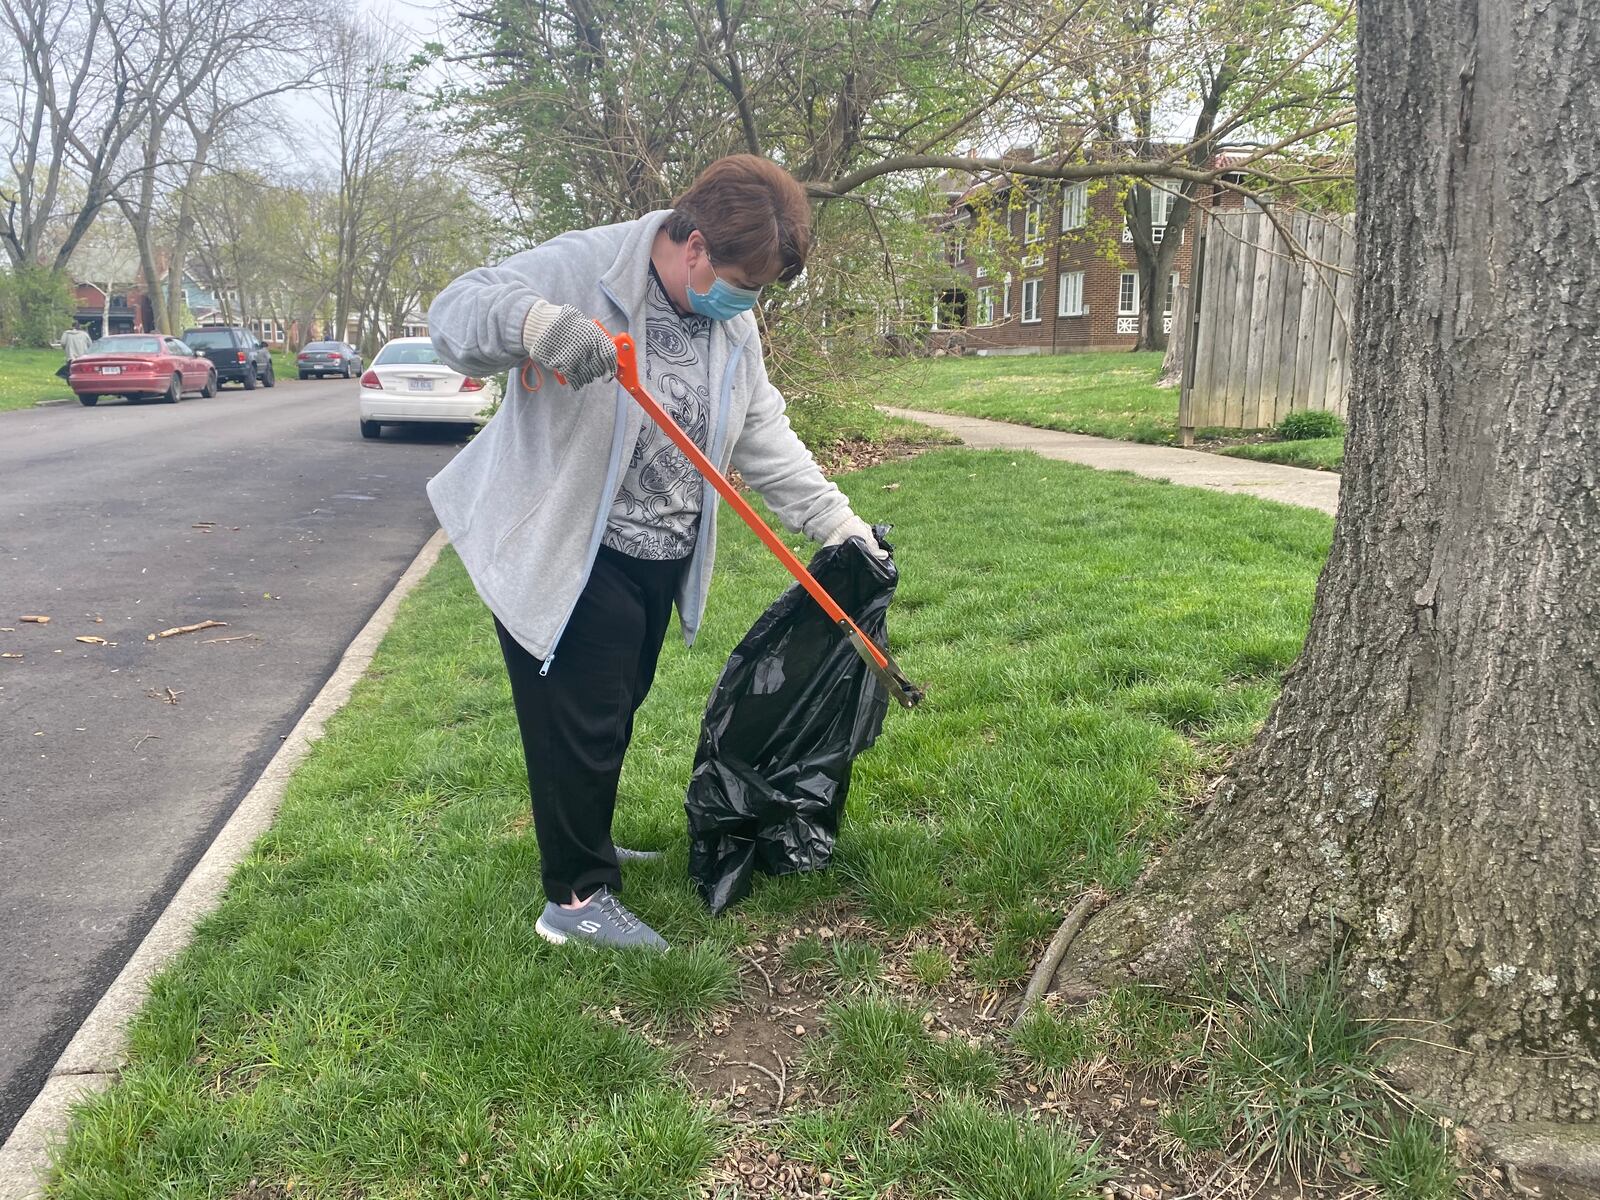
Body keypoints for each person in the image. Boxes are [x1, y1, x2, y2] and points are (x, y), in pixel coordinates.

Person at [427, 155, 883, 952]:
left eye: (759, 291)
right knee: (580, 717)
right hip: (571, 544)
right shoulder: (584, 266)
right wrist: (537, 326)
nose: (746, 302)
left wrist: (836, 524)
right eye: (741, 281)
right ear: (695, 245)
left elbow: (762, 431)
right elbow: (455, 314)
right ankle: (574, 898)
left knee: (615, 706)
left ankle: (588, 839)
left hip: (659, 553)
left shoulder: (731, 323)